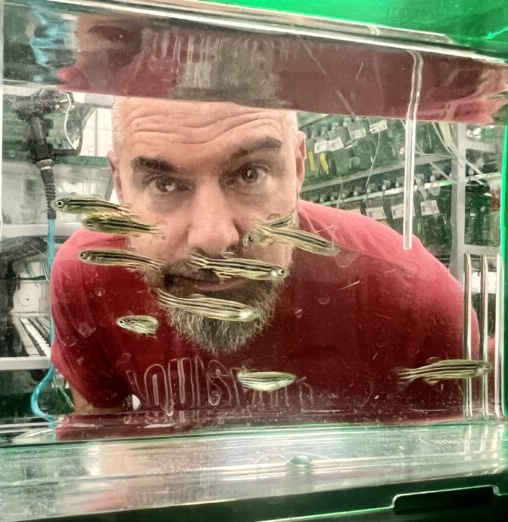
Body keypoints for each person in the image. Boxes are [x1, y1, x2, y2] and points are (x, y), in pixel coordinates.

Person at [50, 97, 472, 428]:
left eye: (250, 174)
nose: (214, 239)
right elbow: (101, 437)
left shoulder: (407, 290)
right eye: (164, 184)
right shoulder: (89, 276)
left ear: (298, 167)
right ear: (121, 185)